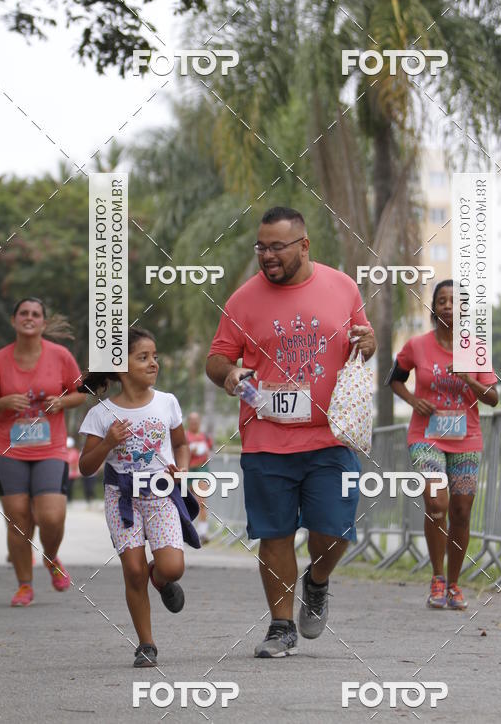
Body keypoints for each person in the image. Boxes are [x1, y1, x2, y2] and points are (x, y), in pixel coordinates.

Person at [206, 206, 376, 658]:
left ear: (304, 245)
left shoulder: (343, 286)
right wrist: (227, 375)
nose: (266, 255)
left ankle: (317, 582)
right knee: (275, 534)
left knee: (335, 530)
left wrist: (369, 343)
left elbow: (364, 337)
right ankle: (281, 626)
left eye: (276, 247)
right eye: (261, 247)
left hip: (330, 436)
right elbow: (216, 357)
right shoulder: (243, 300)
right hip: (266, 438)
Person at [78, 326, 200, 668]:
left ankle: (158, 578)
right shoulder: (101, 414)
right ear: (120, 367)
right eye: (143, 357)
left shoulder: (167, 403)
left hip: (161, 495)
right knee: (132, 570)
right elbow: (86, 467)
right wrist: (107, 443)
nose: (153, 364)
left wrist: (184, 470)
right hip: (122, 499)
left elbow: (181, 444)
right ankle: (146, 644)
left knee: (172, 568)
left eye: (155, 357)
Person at [388, 279, 498, 610]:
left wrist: (467, 378)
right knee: (437, 504)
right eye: (442, 300)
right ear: (434, 308)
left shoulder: (476, 348)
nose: (448, 305)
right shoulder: (417, 346)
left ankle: (454, 584)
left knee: (461, 511)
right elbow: (395, 378)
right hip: (427, 436)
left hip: (466, 438)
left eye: (455, 301)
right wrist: (411, 400)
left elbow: (492, 398)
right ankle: (437, 578)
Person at [0, 297, 86, 607]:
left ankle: (51, 556)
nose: (29, 318)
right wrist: (3, 404)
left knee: (51, 516)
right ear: (14, 321)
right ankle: (24, 585)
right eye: (23, 313)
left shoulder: (60, 356)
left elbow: (79, 394)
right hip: (8, 450)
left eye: (35, 314)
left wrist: (61, 402)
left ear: (43, 323)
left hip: (50, 448)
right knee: (17, 520)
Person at [185, 411, 213, 541]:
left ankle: (202, 532)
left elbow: (209, 451)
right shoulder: (185, 436)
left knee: (201, 501)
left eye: (196, 422)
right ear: (188, 422)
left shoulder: (205, 437)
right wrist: (191, 451)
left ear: (199, 422)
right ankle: (186, 531)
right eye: (192, 422)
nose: (194, 424)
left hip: (201, 470)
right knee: (186, 503)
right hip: (188, 470)